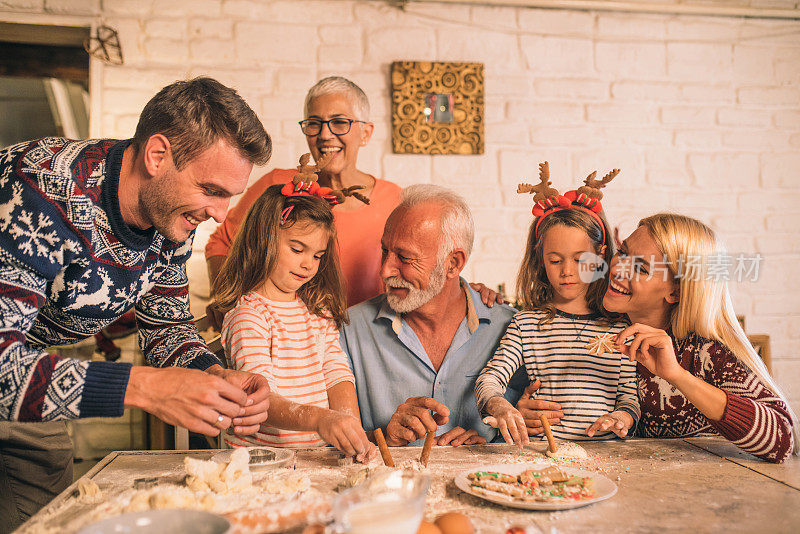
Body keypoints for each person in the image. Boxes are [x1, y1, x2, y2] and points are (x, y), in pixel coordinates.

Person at [0, 77, 272, 528]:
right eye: (212, 190)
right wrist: (146, 388)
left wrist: (213, 376)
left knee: (47, 509)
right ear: (157, 155)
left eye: (230, 196)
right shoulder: (39, 193)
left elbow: (167, 327)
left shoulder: (170, 218)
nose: (222, 215)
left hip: (20, 353)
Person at [205, 76, 401, 327]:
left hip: (365, 341)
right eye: (314, 124)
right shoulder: (278, 186)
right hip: (286, 340)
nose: (325, 135)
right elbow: (221, 243)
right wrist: (231, 301)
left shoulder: (395, 201)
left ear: (365, 133)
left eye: (339, 122)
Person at [212, 161, 375, 462]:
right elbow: (261, 400)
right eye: (297, 249)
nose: (308, 264)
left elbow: (336, 373)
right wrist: (320, 419)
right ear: (262, 240)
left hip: (315, 457)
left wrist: (351, 426)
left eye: (317, 255)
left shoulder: (317, 310)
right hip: (262, 463)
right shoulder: (249, 317)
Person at [340, 184, 526, 448]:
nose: (385, 270)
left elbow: (536, 432)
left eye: (404, 257)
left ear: (453, 263)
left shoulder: (511, 329)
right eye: (385, 251)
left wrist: (491, 441)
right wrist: (383, 438)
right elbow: (324, 442)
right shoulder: (349, 330)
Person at [601, 213, 796, 463]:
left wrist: (677, 376)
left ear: (675, 291)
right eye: (623, 251)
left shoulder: (705, 351)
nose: (617, 269)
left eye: (640, 268)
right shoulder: (600, 333)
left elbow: (781, 440)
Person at [475, 164, 639, 445]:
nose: (567, 271)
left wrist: (623, 418)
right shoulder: (526, 325)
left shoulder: (622, 327)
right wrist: (499, 405)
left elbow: (629, 396)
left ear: (601, 256)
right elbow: (490, 378)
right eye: (555, 260)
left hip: (610, 457)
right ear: (540, 260)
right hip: (544, 453)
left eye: (579, 259)